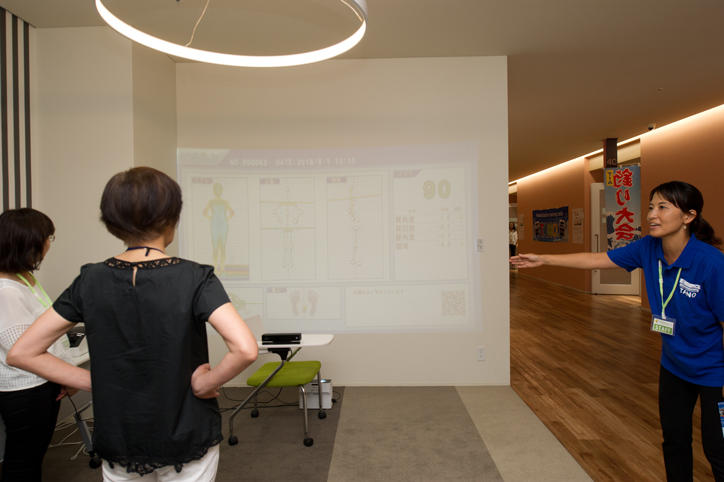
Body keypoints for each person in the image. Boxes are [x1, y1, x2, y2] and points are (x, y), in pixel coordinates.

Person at [8, 167, 259, 480]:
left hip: (119, 433)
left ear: (112, 223)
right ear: (172, 218)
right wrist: (206, 383)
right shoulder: (195, 277)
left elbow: (22, 353)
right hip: (186, 431)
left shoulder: (90, 279)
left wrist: (94, 381)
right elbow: (245, 349)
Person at [510, 180, 724, 481]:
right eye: (651, 207)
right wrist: (543, 259)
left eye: (663, 207)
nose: (652, 214)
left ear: (688, 216)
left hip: (714, 372)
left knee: (718, 450)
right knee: (675, 442)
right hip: (674, 366)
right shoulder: (648, 248)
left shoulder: (711, 263)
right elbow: (597, 259)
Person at [0, 208, 71, 481]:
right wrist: (67, 375)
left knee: (33, 455)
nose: (49, 244)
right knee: (23, 461)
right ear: (27, 242)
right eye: (47, 237)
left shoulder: (22, 278)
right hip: (25, 388)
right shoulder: (6, 291)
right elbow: (22, 350)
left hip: (42, 382)